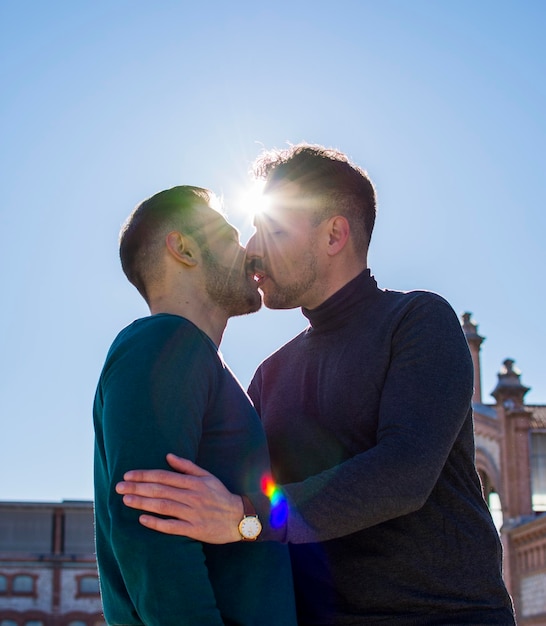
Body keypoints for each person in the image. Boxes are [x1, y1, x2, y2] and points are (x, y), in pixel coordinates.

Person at [116, 147, 516, 625]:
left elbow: (405, 473)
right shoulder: (268, 375)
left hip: (445, 617)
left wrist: (246, 517)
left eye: (274, 230)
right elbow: (224, 505)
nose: (254, 250)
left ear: (334, 235)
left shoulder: (417, 320)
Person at [93, 185, 297, 626]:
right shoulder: (163, 343)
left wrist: (251, 518)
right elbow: (150, 531)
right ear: (183, 248)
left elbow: (271, 518)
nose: (250, 253)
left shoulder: (203, 365)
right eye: (229, 236)